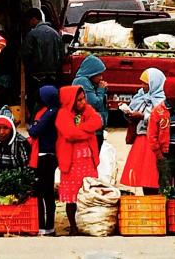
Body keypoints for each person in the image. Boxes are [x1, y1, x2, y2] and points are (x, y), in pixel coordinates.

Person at [55, 85, 102, 236]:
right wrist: (87, 132)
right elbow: (69, 134)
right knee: (72, 196)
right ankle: (73, 226)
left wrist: (79, 130)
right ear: (71, 101)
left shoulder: (88, 111)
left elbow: (97, 122)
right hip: (71, 162)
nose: (83, 102)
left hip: (88, 160)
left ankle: (87, 224)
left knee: (88, 192)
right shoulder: (62, 114)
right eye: (79, 100)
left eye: (83, 99)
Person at [120, 68, 166, 195]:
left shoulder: (161, 99)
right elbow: (134, 110)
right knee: (143, 174)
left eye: (146, 83)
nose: (143, 86)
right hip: (142, 138)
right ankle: (148, 199)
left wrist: (142, 116)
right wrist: (128, 113)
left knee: (153, 173)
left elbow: (161, 119)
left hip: (154, 141)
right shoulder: (140, 96)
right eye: (142, 83)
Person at [28, 85, 59, 236]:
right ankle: (48, 226)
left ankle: (45, 226)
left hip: (44, 157)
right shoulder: (53, 111)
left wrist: (34, 126)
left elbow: (34, 131)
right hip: (49, 156)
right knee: (47, 193)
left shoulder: (49, 113)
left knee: (42, 193)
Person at [21, 7, 64, 118]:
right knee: (50, 101)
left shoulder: (32, 34)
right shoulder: (56, 34)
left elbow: (26, 55)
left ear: (34, 19)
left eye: (29, 21)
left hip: (36, 77)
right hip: (53, 76)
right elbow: (62, 55)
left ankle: (36, 121)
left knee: (36, 102)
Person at [72, 55, 108, 149]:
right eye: (99, 75)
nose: (101, 78)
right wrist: (101, 90)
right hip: (90, 130)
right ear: (91, 73)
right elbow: (94, 103)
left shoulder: (89, 83)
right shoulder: (82, 81)